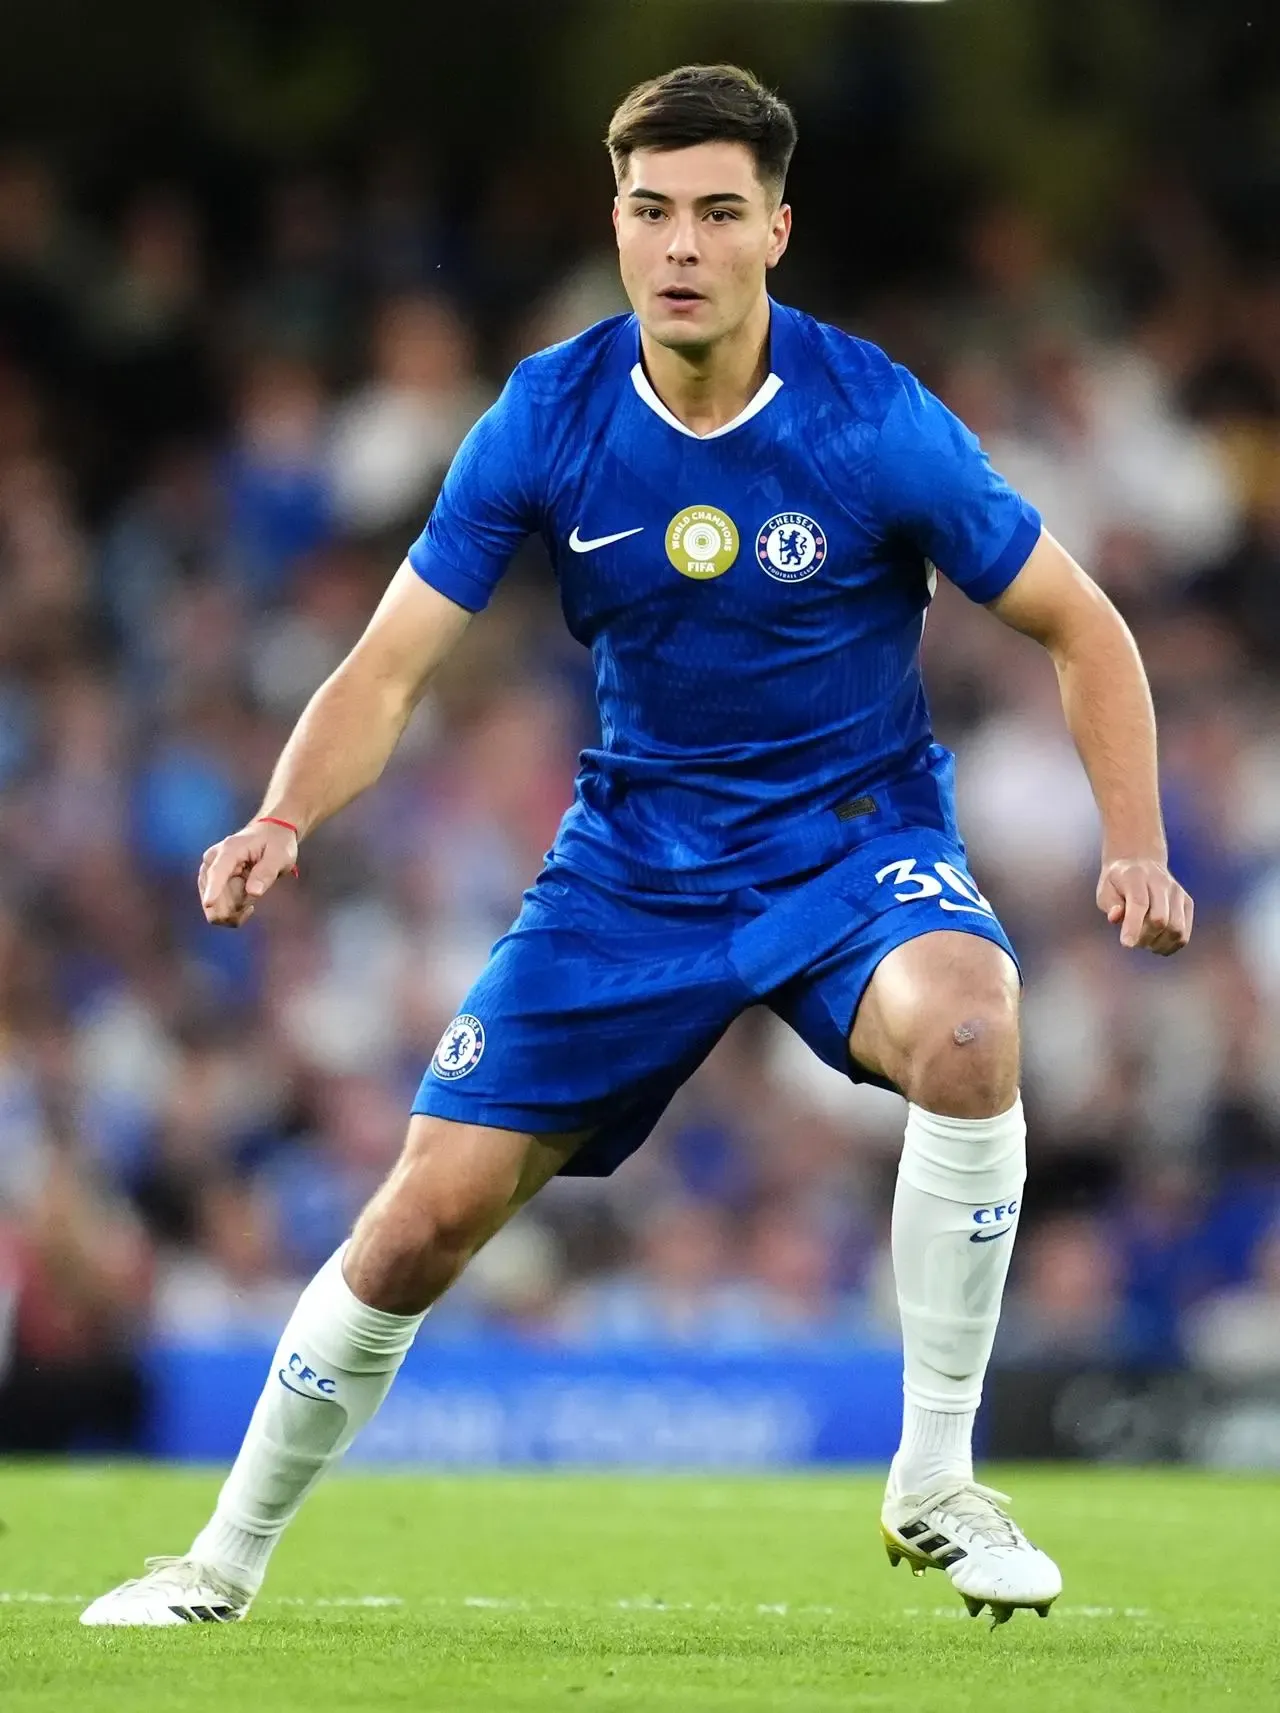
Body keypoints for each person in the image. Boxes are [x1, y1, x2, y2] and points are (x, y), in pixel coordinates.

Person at [81, 64, 1192, 1629]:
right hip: (628, 872)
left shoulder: (874, 417)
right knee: (419, 1224)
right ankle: (217, 1566)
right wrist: (280, 813)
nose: (680, 245)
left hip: (849, 847)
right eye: (651, 210)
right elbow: (391, 662)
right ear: (617, 223)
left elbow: (1086, 627)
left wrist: (1132, 843)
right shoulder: (548, 412)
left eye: (717, 213)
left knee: (970, 1019)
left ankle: (936, 1477)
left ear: (776, 233)